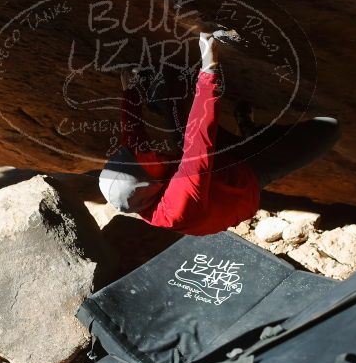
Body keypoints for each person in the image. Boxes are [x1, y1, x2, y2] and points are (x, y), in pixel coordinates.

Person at [99, 32, 340, 236]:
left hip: (214, 162)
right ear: (153, 184)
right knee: (328, 128)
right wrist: (209, 69)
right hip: (247, 176)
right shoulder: (179, 205)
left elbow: (134, 143)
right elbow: (200, 141)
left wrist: (130, 94)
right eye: (149, 159)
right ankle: (251, 134)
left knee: (173, 95)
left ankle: (164, 96)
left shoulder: (140, 182)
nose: (150, 152)